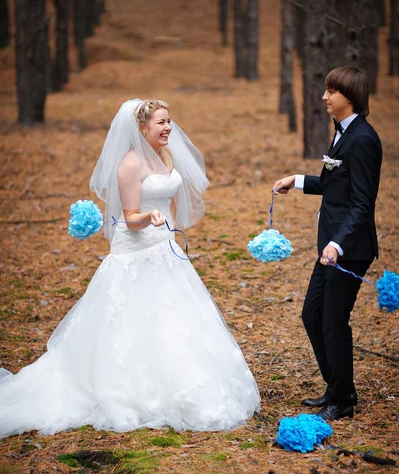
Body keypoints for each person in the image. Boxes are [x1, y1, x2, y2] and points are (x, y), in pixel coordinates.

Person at [0, 99, 260, 438]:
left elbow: (170, 192)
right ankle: (126, 389)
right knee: (131, 319)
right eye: (161, 124)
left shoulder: (166, 156)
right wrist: (149, 218)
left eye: (169, 121)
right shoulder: (130, 165)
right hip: (135, 251)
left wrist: (168, 216)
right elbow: (129, 218)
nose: (168, 128)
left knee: (174, 317)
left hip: (163, 250)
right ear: (142, 129)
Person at [274, 66, 382, 421]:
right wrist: (298, 180)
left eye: (331, 91)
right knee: (313, 313)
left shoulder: (364, 139)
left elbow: (362, 203)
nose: (324, 97)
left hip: (349, 248)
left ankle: (343, 398)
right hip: (332, 248)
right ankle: (338, 387)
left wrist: (337, 244)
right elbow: (334, 185)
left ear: (349, 96)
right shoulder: (342, 134)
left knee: (334, 318)